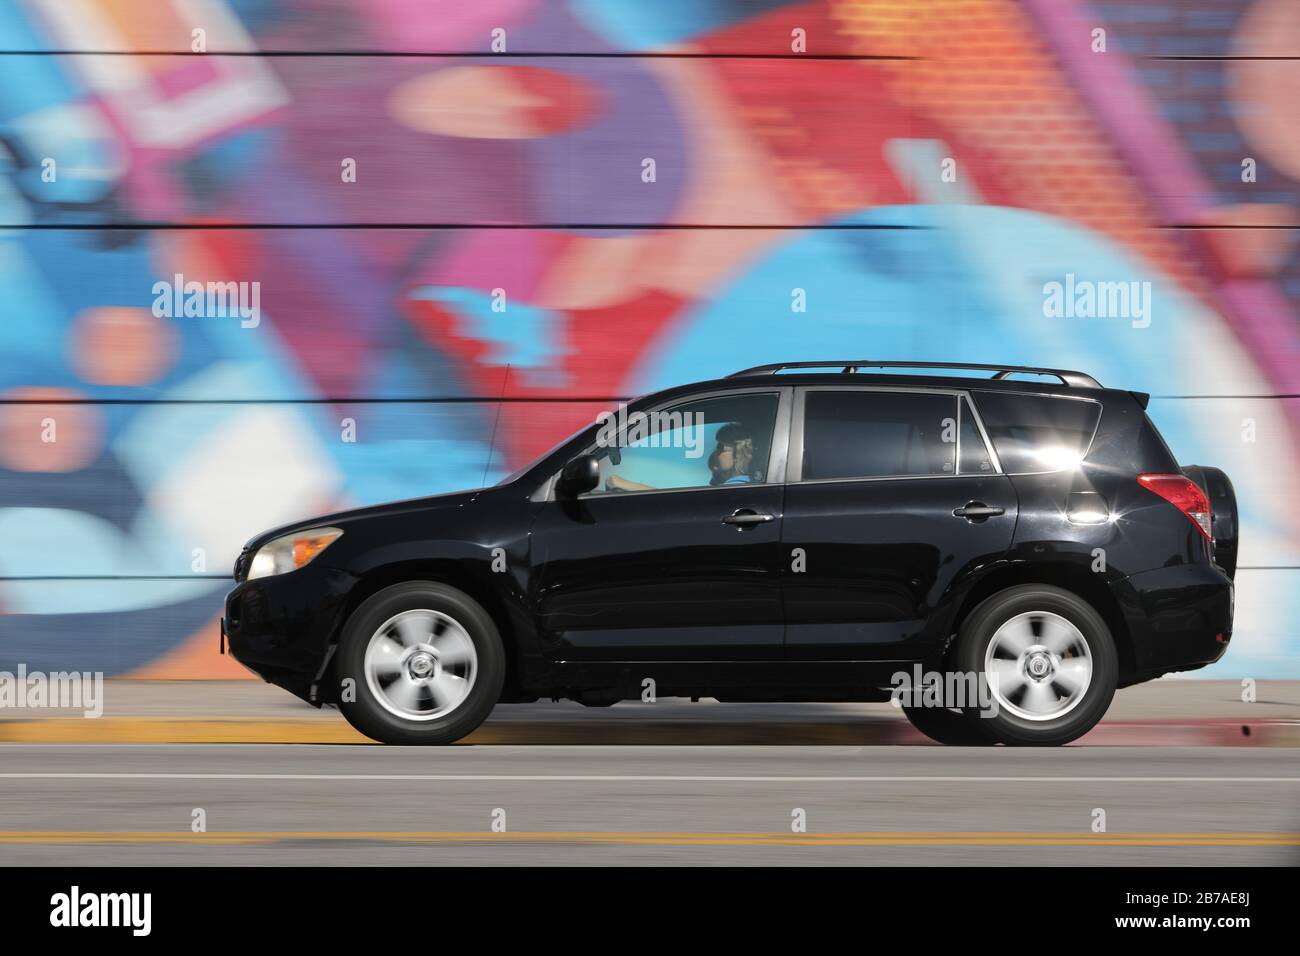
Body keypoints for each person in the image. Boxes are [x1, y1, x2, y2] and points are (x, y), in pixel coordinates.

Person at [604, 422, 758, 492]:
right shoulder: (743, 485)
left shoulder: (736, 488)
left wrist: (623, 484)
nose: (714, 454)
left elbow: (682, 505)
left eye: (720, 447)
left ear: (738, 452)